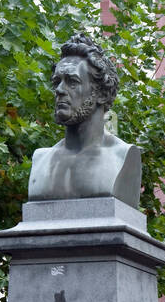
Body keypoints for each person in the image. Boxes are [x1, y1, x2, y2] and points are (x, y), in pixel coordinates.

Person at [27, 33, 142, 205]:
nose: (59, 90)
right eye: (57, 81)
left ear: (102, 93)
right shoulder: (41, 159)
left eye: (72, 81)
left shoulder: (123, 157)